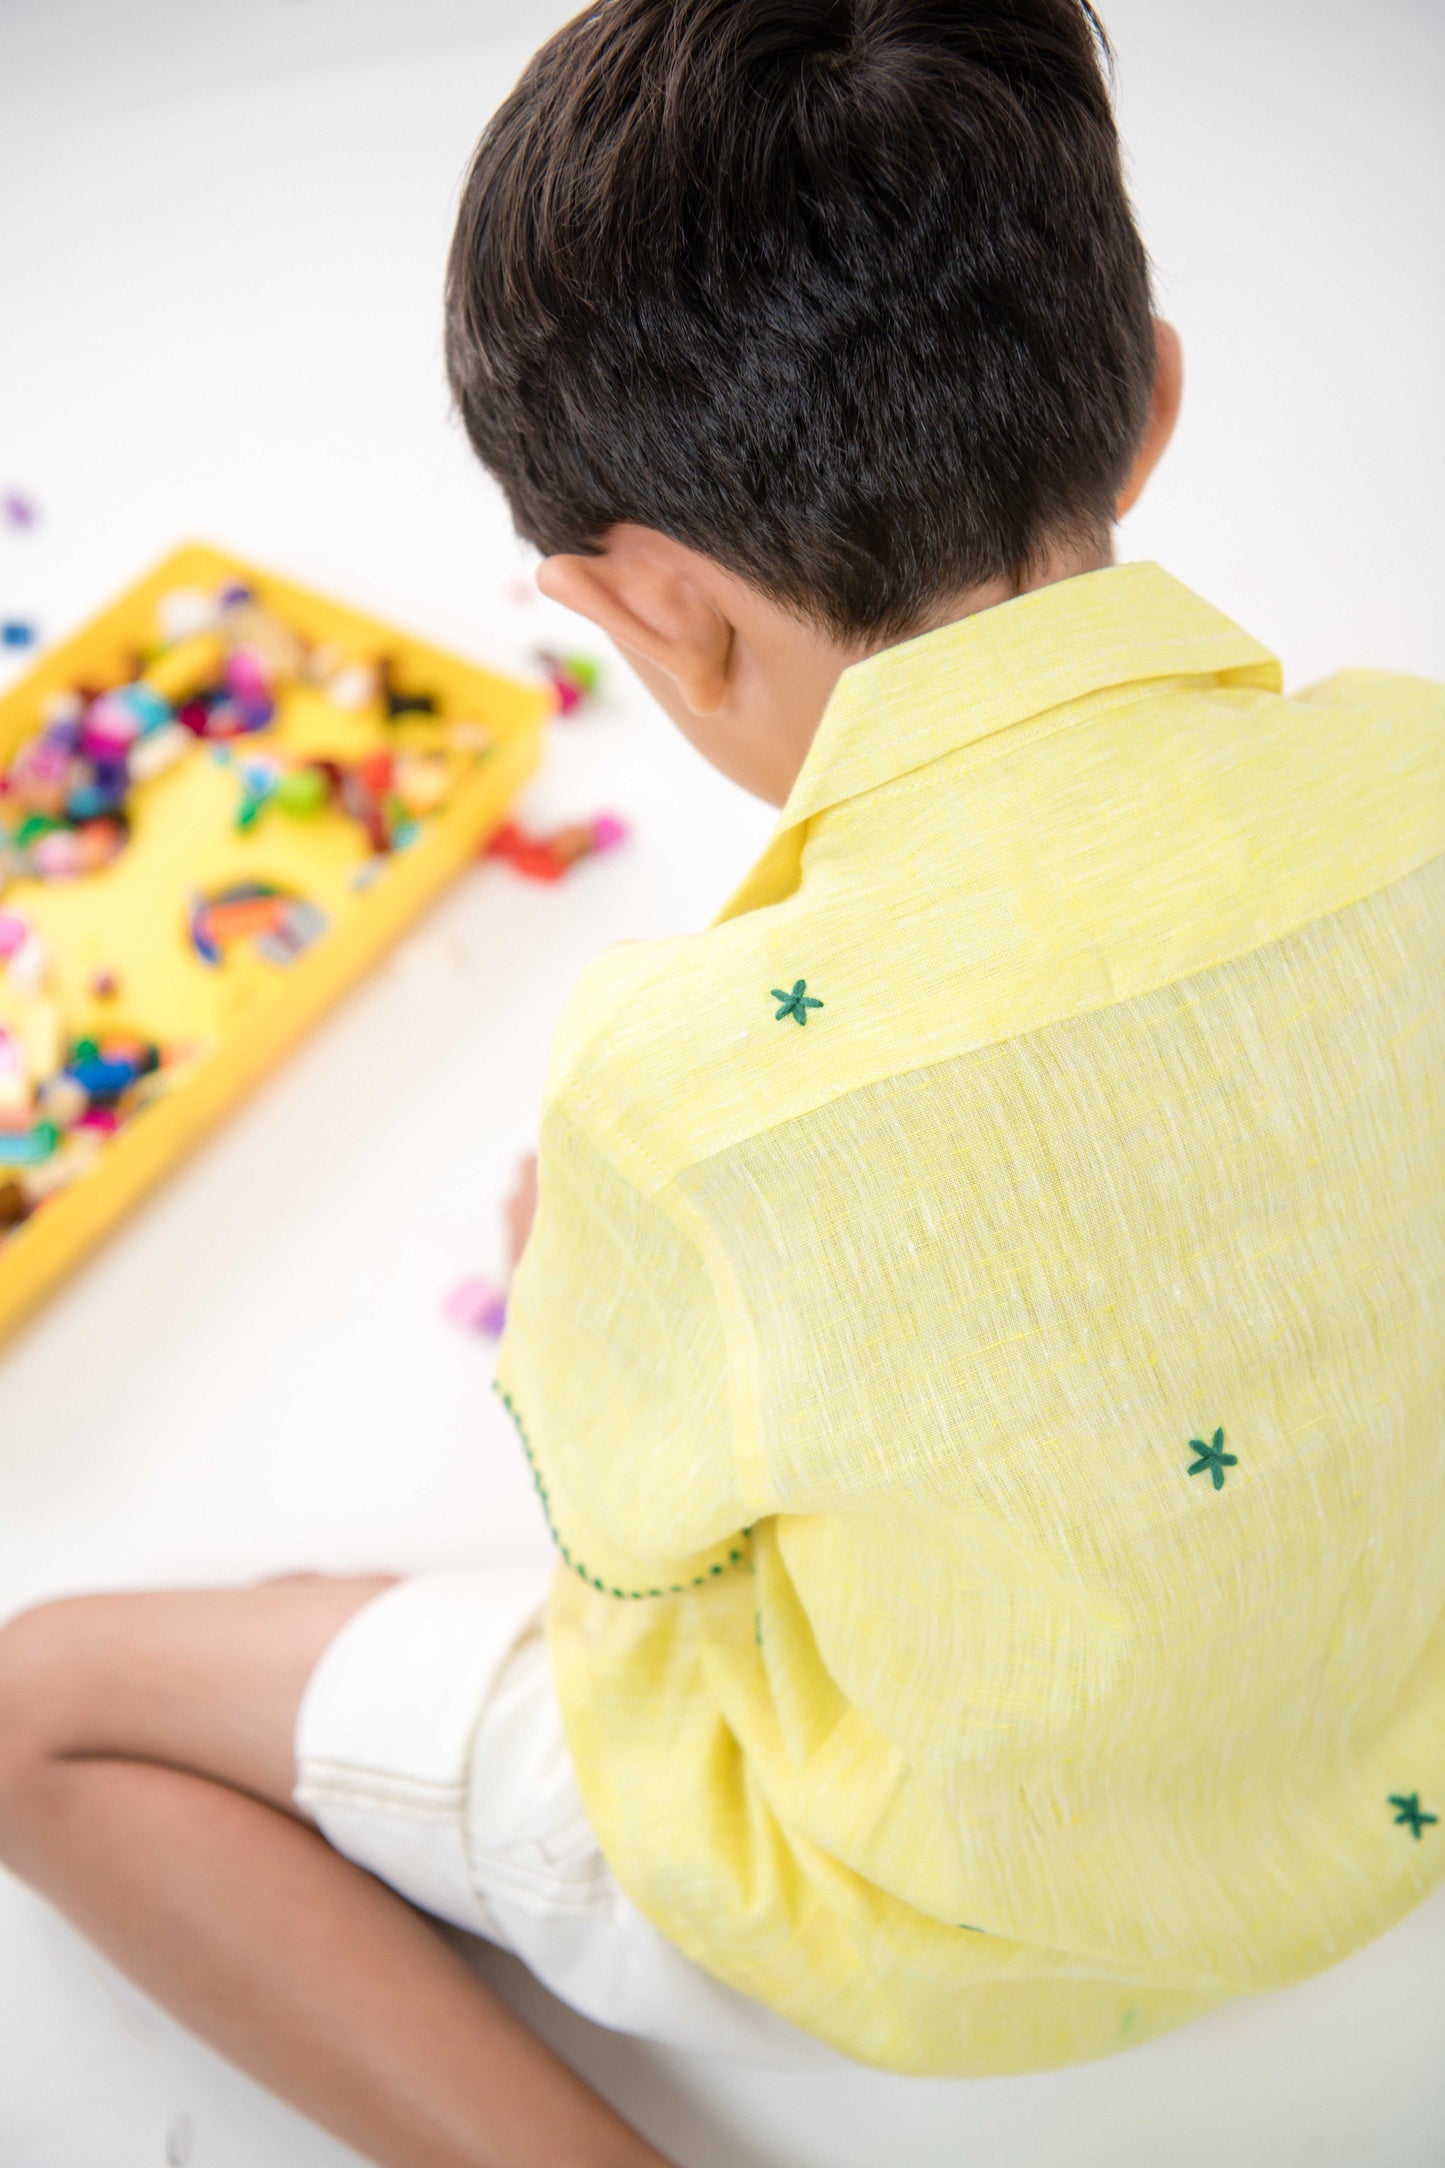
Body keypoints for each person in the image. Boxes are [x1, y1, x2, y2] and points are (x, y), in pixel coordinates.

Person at [1, 3, 1442, 2163]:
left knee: (42, 1710)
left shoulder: (685, 1087)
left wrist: (574, 1262)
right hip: (1385, 1779)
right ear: (1147, 400)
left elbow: (639, 1547)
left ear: (646, 608)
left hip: (924, 1924)